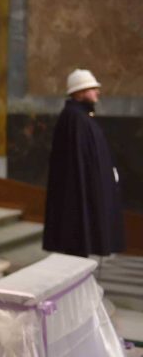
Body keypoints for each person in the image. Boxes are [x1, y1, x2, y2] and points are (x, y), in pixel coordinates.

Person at [42, 69, 125, 257]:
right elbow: (77, 167)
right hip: (79, 198)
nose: (97, 92)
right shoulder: (75, 119)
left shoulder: (82, 117)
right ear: (79, 93)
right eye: (92, 88)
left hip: (88, 193)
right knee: (77, 247)